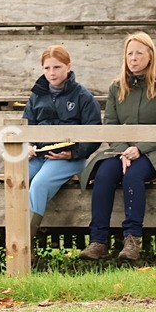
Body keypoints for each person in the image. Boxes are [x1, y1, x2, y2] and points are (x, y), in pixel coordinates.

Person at [78, 32, 156, 261]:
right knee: (105, 174)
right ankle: (98, 241)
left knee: (133, 176)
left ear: (150, 56)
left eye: (139, 53)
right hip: (121, 149)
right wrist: (124, 149)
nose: (133, 58)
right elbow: (111, 125)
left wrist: (140, 149)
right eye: (129, 54)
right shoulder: (117, 87)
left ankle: (132, 240)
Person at [23, 45, 102, 237]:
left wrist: (73, 153)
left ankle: (25, 241)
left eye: (57, 67)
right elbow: (25, 127)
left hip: (68, 158)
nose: (52, 73)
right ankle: (13, 233)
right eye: (47, 68)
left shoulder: (83, 96)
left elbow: (95, 134)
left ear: (68, 66)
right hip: (40, 156)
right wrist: (28, 147)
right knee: (18, 177)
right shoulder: (36, 96)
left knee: (39, 184)